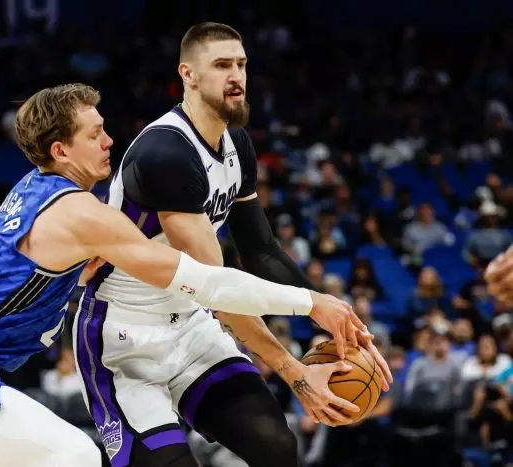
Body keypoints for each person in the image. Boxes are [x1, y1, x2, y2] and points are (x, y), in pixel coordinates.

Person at [0, 83, 365, 467]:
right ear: (61, 149)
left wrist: (69, 276)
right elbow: (205, 281)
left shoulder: (35, 192)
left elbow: (4, 273)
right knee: (73, 457)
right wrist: (311, 301)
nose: (109, 141)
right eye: (94, 134)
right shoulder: (82, 214)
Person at [74, 23, 392, 467]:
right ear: (188, 74)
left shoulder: (235, 144)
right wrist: (295, 372)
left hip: (192, 328)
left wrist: (339, 324)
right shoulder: (164, 154)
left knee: (276, 447)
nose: (236, 76)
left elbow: (261, 250)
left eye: (241, 64)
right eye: (222, 65)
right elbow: (215, 286)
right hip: (125, 339)